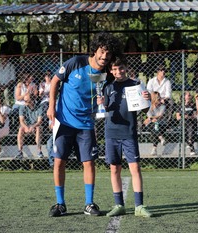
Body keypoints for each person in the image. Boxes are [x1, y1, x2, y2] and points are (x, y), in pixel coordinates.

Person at [47, 32, 121, 217]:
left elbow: (114, 86)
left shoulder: (107, 73)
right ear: (95, 49)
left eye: (108, 53)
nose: (104, 56)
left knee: (89, 162)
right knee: (59, 162)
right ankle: (60, 204)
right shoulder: (76, 63)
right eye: (102, 52)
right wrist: (51, 107)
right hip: (64, 121)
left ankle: (89, 204)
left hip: (86, 124)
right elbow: (55, 81)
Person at [101, 56, 152, 217]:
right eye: (114, 69)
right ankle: (119, 205)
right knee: (114, 168)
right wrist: (101, 104)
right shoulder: (108, 86)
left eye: (121, 68)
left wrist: (147, 100)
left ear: (126, 67)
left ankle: (139, 206)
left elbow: (144, 110)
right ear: (110, 70)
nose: (118, 72)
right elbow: (105, 109)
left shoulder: (135, 84)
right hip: (111, 133)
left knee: (135, 168)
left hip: (129, 133)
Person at [15, 93, 43, 159]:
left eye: (26, 101)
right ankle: (20, 152)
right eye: (24, 100)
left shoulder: (39, 107)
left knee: (38, 128)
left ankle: (39, 151)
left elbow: (39, 121)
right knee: (20, 129)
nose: (24, 102)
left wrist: (33, 126)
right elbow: (21, 121)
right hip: (26, 126)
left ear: (32, 100)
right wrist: (25, 127)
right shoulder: (22, 107)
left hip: (35, 126)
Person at [143, 91, 166, 156]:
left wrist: (150, 118)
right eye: (158, 98)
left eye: (160, 98)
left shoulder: (162, 106)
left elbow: (160, 116)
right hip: (151, 124)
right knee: (153, 126)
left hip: (161, 123)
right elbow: (151, 117)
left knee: (154, 129)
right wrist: (152, 118)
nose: (160, 99)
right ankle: (161, 137)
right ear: (154, 98)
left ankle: (154, 149)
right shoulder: (149, 106)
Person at [176, 91, 197, 155]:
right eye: (188, 95)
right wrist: (183, 117)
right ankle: (190, 144)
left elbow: (195, 116)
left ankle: (191, 145)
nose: (190, 96)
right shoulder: (180, 105)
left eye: (190, 95)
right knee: (184, 129)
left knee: (191, 127)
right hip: (182, 123)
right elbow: (177, 117)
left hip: (191, 122)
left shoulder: (192, 105)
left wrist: (189, 117)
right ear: (184, 97)